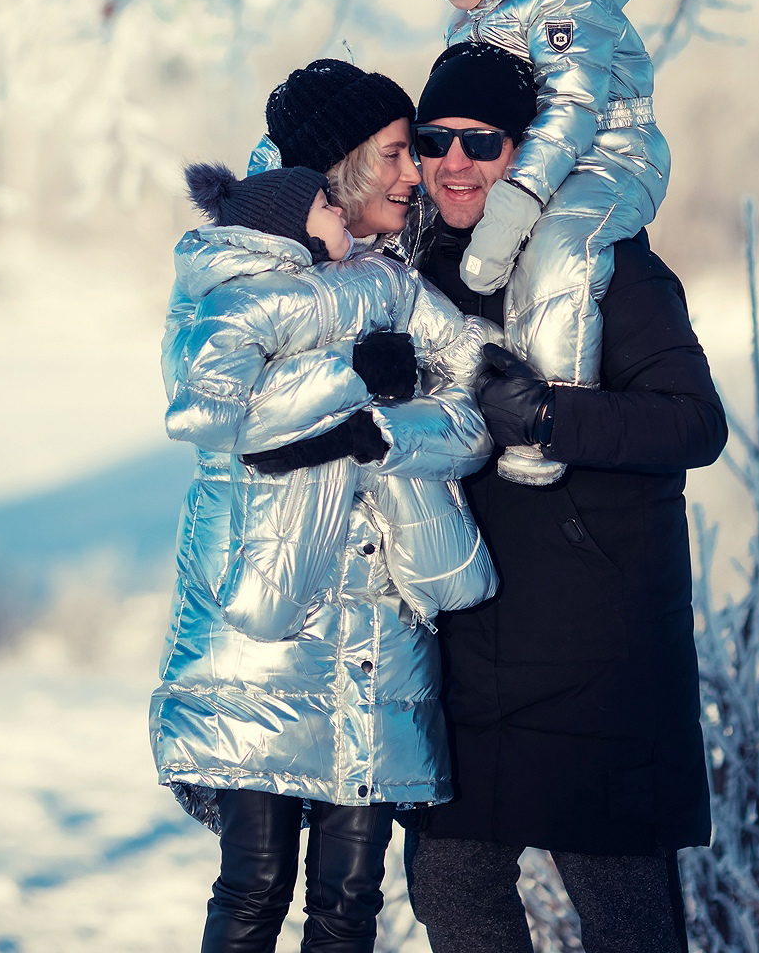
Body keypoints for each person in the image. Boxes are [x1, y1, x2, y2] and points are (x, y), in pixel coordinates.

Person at [402, 41, 728, 953]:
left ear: (526, 151)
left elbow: (694, 424)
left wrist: (551, 415)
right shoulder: (416, 276)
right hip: (473, 650)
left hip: (599, 650)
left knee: (626, 917)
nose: (453, 163)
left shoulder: (606, 265)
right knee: (450, 885)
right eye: (434, 141)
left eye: (483, 141)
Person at [150, 154, 496, 952]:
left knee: (349, 897)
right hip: (263, 646)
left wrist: (391, 425)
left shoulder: (395, 285)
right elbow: (222, 418)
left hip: (377, 639)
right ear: (301, 209)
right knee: (256, 880)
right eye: (392, 153)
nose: (411, 170)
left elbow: (466, 387)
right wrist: (353, 373)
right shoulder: (230, 297)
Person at [404, 0, 672, 486]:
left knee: (558, 249)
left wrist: (520, 197)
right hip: (537, 157)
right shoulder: (481, 14)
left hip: (611, 155)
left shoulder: (562, 3)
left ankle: (545, 416)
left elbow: (575, 106)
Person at [247, 56, 420, 245]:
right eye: (392, 155)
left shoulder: (432, 238)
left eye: (411, 153)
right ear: (336, 169)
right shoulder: (272, 270)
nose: (414, 175)